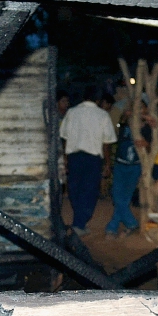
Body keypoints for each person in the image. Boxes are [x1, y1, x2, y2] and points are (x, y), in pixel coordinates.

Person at [59, 87, 117, 234]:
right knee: (89, 190)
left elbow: (64, 137)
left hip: (74, 156)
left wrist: (65, 158)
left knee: (74, 188)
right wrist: (108, 163)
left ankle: (78, 222)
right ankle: (79, 223)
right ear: (98, 100)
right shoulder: (102, 115)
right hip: (93, 158)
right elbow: (107, 142)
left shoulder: (71, 112)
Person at [107, 103, 148, 235]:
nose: (137, 112)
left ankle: (112, 227)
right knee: (117, 196)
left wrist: (146, 144)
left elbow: (152, 147)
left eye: (141, 109)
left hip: (135, 166)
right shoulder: (124, 125)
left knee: (124, 198)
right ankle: (131, 223)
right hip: (120, 164)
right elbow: (122, 118)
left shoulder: (147, 129)